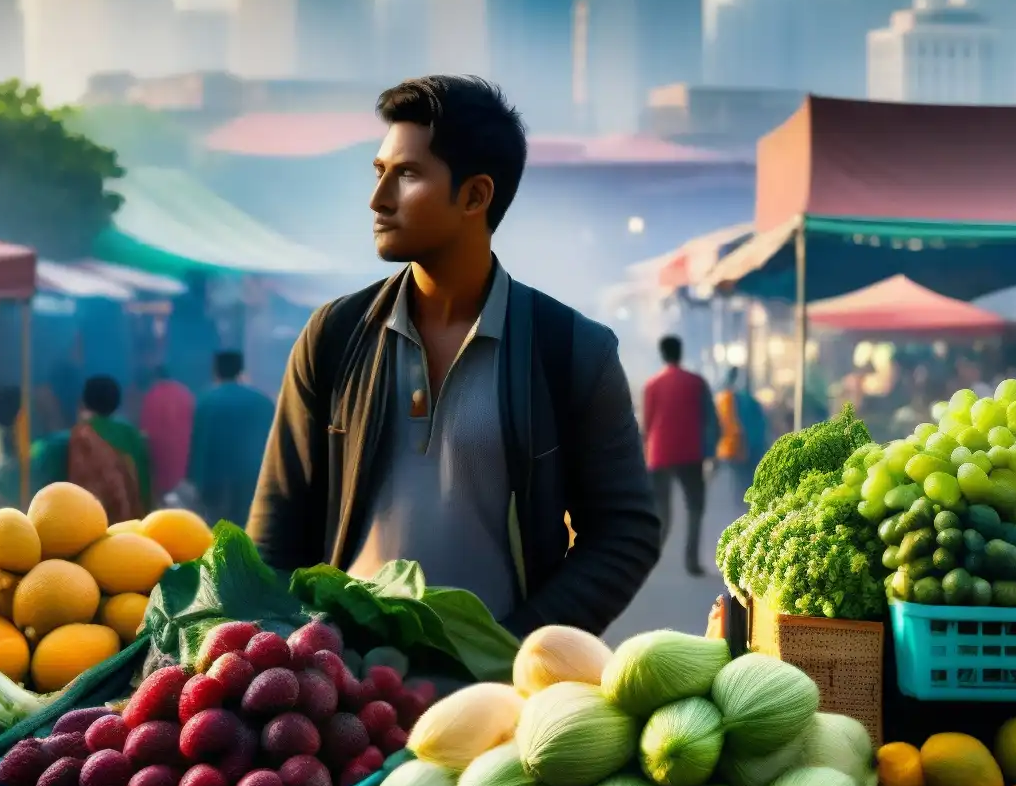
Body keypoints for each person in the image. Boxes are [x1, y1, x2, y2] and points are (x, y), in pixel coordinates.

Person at [248, 75, 659, 636]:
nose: (378, 199)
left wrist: (515, 651)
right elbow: (275, 534)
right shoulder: (335, 335)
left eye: (408, 175)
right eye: (379, 173)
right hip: (344, 691)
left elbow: (625, 532)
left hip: (494, 703)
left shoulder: (570, 350)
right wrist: (303, 664)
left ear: (475, 195)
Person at [641, 336, 717, 578]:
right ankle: (691, 561)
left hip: (659, 454)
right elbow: (711, 421)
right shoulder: (696, 382)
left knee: (661, 512)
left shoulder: (652, 385)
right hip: (690, 454)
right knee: (695, 507)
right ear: (680, 353)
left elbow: (647, 425)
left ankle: (648, 560)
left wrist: (644, 456)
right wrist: (711, 454)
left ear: (662, 355)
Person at [30, 375, 153, 522]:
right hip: (130, 529)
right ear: (117, 402)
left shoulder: (63, 442)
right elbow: (145, 487)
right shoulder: (132, 436)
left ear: (82, 402)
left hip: (84, 529)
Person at [186, 351, 276, 529]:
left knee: (218, 527)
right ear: (241, 369)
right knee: (250, 525)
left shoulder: (207, 401)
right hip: (254, 474)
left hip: (216, 477)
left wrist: (194, 477)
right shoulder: (262, 401)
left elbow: (200, 443)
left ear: (216, 371)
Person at [138, 366, 196, 498]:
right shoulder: (185, 394)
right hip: (184, 460)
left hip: (160, 459)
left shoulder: (152, 395)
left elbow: (145, 432)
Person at [715, 366, 768, 495]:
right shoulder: (747, 400)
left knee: (739, 486)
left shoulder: (725, 398)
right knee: (745, 484)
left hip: (736, 449)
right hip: (746, 448)